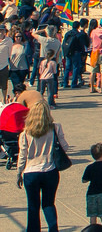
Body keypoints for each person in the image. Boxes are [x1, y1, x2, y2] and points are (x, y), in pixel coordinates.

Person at [18, 95, 68, 232]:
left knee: (33, 206)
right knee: (49, 203)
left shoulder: (26, 133)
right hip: (50, 170)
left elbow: (22, 156)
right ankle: (53, 229)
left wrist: (19, 173)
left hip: (31, 171)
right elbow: (65, 147)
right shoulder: (55, 128)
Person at [83, 141, 102, 226]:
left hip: (91, 193)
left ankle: (93, 229)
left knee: (93, 215)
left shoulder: (90, 167)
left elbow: (84, 180)